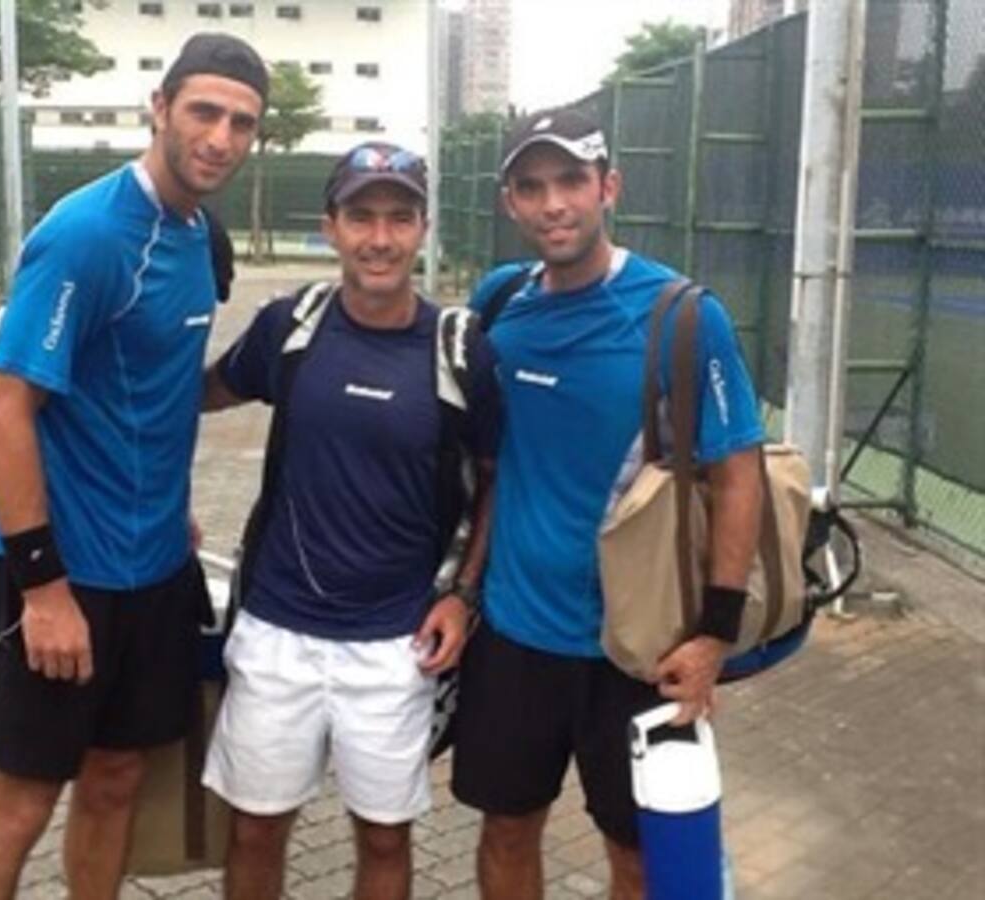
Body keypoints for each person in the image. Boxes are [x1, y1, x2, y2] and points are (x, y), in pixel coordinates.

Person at [0, 33, 267, 900]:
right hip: (63, 573)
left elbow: (148, 388)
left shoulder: (198, 237)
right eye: (204, 112)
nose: (220, 138)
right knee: (19, 803)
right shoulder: (86, 235)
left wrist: (171, 503)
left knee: (117, 777)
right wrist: (44, 589)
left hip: (155, 570)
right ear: (159, 108)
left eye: (241, 123)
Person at [450, 107, 766, 900]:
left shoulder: (683, 315)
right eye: (531, 187)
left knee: (638, 855)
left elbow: (739, 474)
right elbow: (483, 460)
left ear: (608, 187)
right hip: (513, 635)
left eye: (571, 181)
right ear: (510, 203)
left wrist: (715, 634)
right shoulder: (499, 303)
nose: (553, 203)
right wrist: (460, 588)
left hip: (637, 650)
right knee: (506, 830)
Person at [201, 142, 501, 900]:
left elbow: (494, 480)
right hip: (276, 632)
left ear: (423, 229)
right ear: (331, 226)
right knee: (255, 829)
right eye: (361, 217)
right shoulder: (290, 327)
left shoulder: (460, 347)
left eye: (399, 218)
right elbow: (195, 397)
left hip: (397, 645)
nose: (380, 238)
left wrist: (462, 596)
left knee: (385, 837)